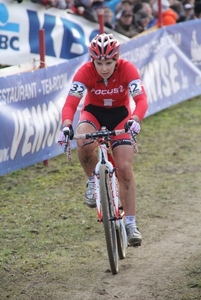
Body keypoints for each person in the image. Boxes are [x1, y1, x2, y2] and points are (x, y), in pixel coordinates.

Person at [58, 33, 148, 247]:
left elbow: (141, 99)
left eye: (108, 62)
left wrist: (135, 119)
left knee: (124, 168)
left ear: (116, 59)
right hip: (93, 113)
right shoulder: (85, 72)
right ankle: (92, 181)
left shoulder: (128, 69)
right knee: (83, 139)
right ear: (93, 61)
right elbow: (70, 103)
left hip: (120, 116)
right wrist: (66, 125)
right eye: (99, 63)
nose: (104, 68)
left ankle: (131, 223)